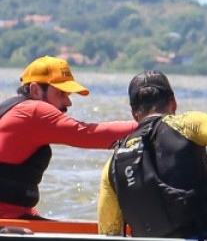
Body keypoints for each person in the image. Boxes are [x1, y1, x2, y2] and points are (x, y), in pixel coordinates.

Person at [98, 72, 207, 238]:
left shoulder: (114, 161)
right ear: (174, 102)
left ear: (134, 113)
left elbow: (108, 234)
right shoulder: (188, 124)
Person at [0, 57, 139, 221]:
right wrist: (151, 125)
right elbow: (89, 135)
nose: (68, 102)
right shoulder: (34, 111)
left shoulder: (11, 109)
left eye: (68, 94)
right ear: (36, 90)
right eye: (60, 93)